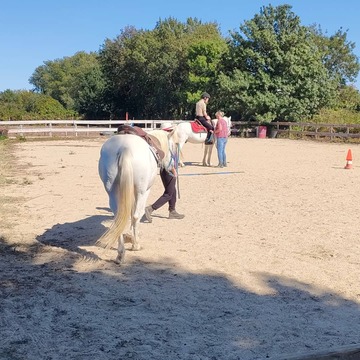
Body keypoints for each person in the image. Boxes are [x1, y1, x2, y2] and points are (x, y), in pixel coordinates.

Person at [145, 154, 184, 221]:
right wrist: (173, 170)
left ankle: (172, 211)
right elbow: (168, 158)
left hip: (165, 170)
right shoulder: (169, 144)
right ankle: (150, 208)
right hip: (169, 170)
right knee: (168, 194)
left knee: (173, 191)